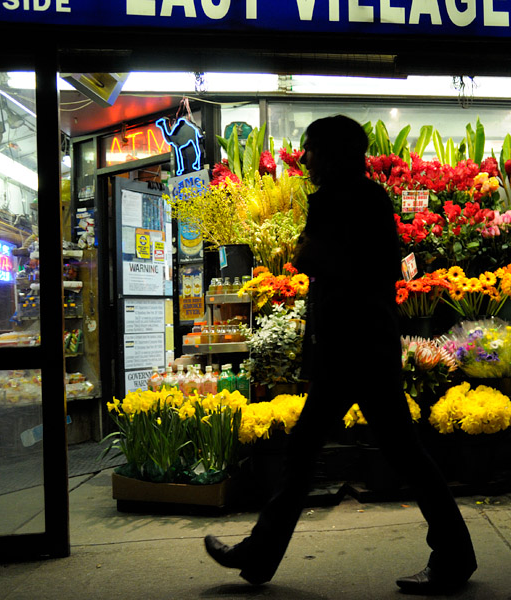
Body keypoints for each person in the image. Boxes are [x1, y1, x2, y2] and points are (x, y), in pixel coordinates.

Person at [204, 115, 477, 594]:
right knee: (328, 451)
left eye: (310, 149)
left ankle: (453, 556)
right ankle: (259, 555)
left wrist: (313, 255)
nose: (304, 158)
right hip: (360, 344)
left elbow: (338, 264)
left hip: (355, 347)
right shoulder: (364, 198)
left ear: (331, 152)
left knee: (367, 452)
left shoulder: (344, 199)